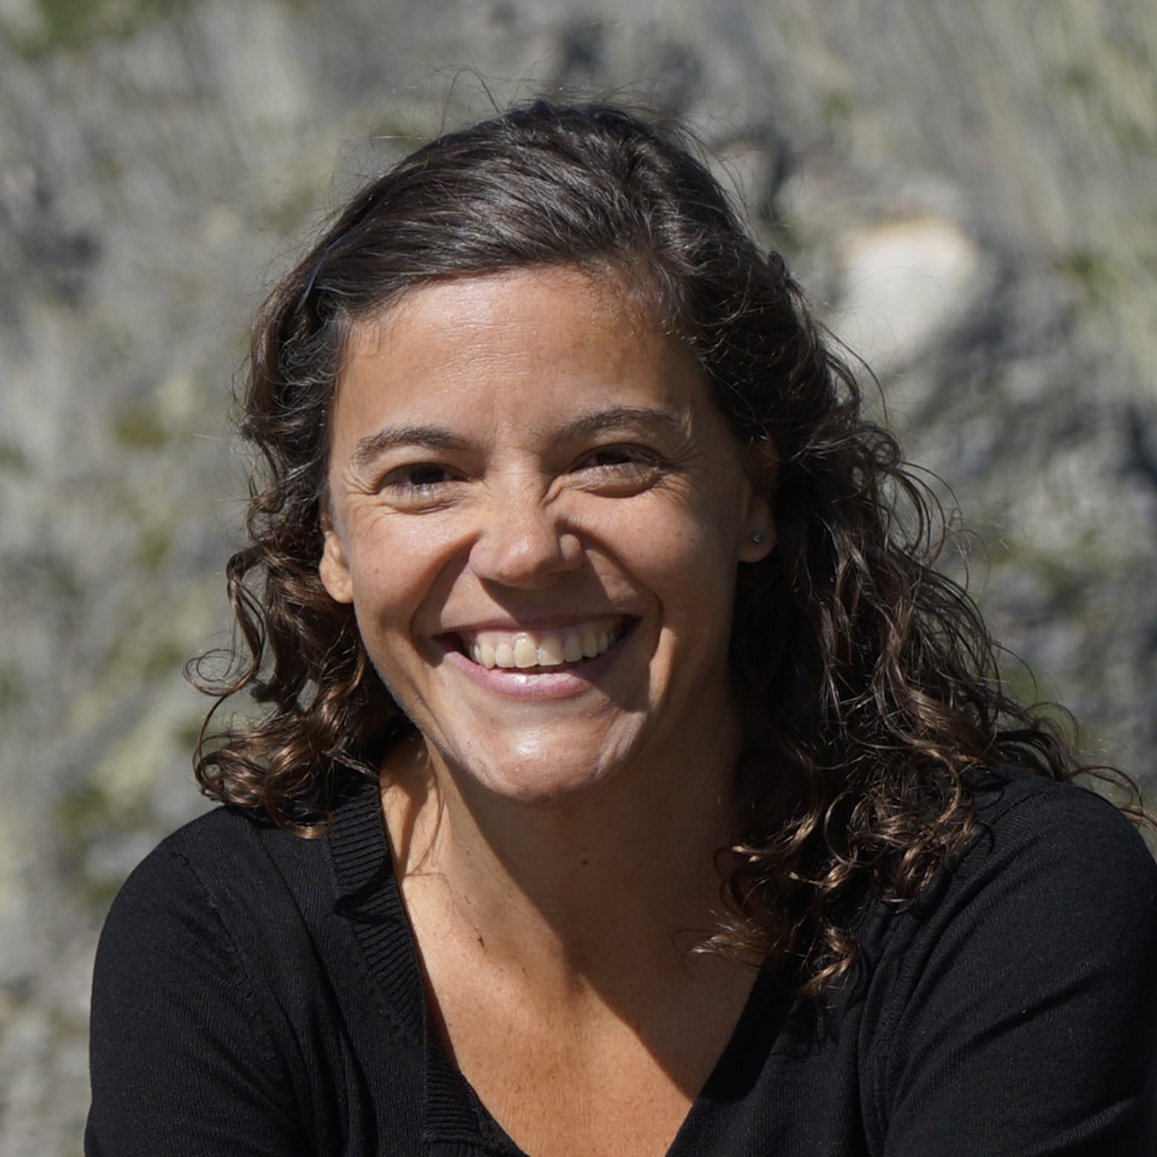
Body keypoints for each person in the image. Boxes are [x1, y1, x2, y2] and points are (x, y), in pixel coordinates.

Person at [86, 100, 1157, 1157]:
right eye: (423, 475)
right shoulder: (223, 945)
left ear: (752, 493)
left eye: (611, 457)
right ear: (331, 538)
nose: (521, 548)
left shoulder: (999, 909)